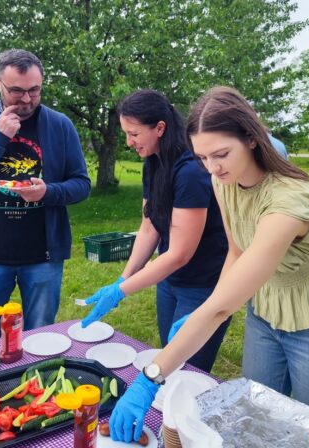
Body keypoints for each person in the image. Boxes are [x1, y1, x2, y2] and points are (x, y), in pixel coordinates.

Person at [108, 86, 309, 443]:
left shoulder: (288, 201)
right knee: (255, 416)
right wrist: (212, 302)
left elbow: (221, 308)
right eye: (202, 157)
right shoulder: (221, 181)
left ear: (251, 139)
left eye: (221, 154)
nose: (212, 167)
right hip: (266, 310)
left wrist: (150, 378)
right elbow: (236, 251)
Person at [0, 49, 91, 345]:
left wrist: (48, 192)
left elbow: (81, 184)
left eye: (34, 90)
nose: (26, 99)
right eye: (16, 91)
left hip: (43, 258)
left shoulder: (60, 125)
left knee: (40, 343)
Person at [81, 89, 230, 373]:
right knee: (169, 361)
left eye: (134, 134)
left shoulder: (191, 172)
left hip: (202, 286)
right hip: (169, 280)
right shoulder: (153, 163)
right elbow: (149, 228)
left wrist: (121, 291)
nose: (129, 142)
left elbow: (180, 254)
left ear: (160, 128)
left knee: (188, 372)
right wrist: (123, 277)